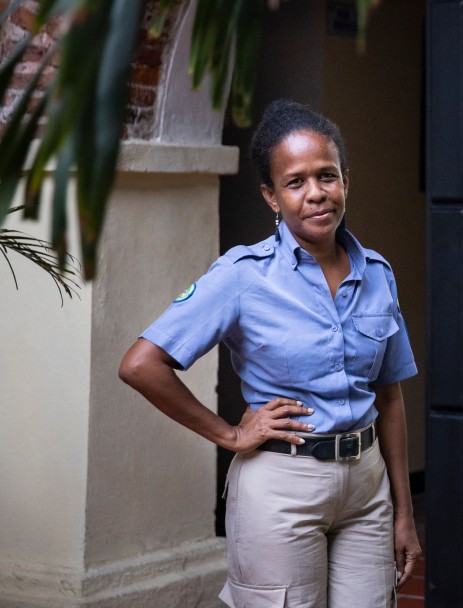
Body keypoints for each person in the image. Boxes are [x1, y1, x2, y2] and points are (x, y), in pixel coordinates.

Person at [119, 99, 421, 607]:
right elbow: (140, 364)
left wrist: (403, 513)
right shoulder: (243, 276)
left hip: (367, 488)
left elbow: (389, 399)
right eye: (295, 182)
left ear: (346, 179)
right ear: (271, 196)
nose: (316, 194)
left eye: (327, 176)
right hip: (282, 486)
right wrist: (231, 434)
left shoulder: (378, 274)